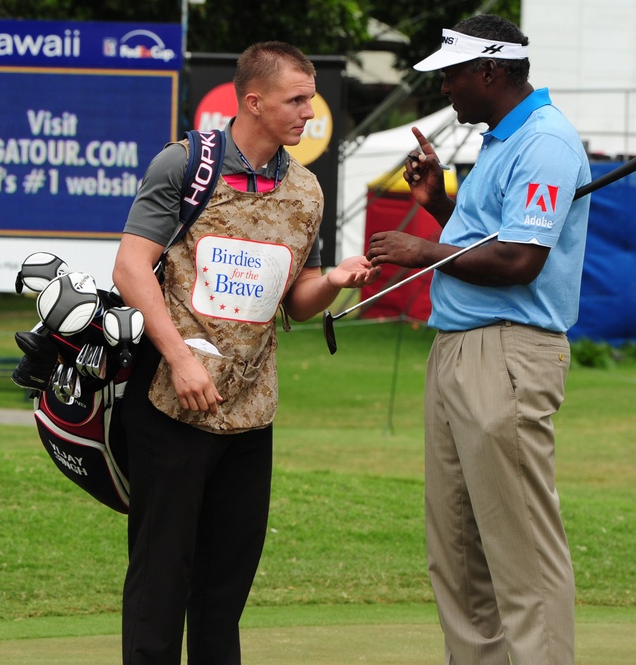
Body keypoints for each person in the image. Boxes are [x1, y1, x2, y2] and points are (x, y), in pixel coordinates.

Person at [112, 41, 379, 664]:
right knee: (161, 579)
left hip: (252, 414)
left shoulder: (307, 190)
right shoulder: (183, 165)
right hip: (170, 403)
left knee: (225, 587)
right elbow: (131, 268)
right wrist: (179, 358)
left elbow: (296, 299)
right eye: (296, 100)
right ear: (253, 101)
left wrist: (333, 281)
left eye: (310, 99)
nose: (308, 113)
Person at [366, 15, 591, 665]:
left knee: (520, 552)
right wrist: (439, 203)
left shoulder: (544, 141)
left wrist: (419, 248)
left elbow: (519, 261)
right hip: (462, 349)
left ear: (489, 71)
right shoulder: (501, 138)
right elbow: (487, 238)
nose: (444, 89)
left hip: (509, 353)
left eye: (452, 75)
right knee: (459, 552)